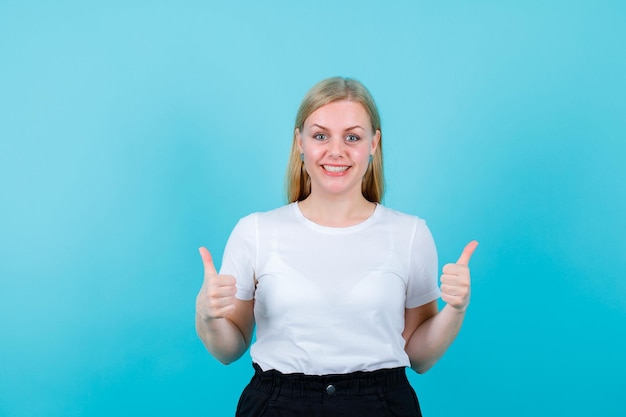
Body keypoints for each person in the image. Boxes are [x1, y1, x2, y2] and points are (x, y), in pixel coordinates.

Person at [196, 76, 478, 417]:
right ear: (300, 142)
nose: (336, 151)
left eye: (353, 137)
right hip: (278, 404)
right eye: (320, 135)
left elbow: (419, 356)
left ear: (374, 144)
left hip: (381, 404)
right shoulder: (255, 231)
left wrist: (456, 309)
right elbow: (229, 349)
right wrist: (207, 314)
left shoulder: (410, 234)